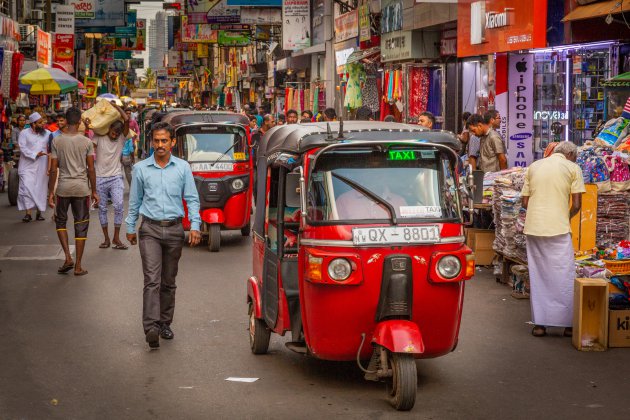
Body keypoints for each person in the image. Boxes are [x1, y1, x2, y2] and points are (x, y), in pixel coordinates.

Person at [125, 121, 201, 349]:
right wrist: (130, 227)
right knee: (152, 280)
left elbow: (192, 199)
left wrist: (195, 226)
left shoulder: (183, 168)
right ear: (151, 142)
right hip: (150, 230)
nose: (160, 145)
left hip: (175, 229)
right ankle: (151, 327)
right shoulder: (140, 169)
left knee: (169, 281)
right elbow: (135, 201)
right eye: (156, 141)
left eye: (164, 141)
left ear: (172, 143)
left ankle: (165, 323)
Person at [521, 142, 586, 338]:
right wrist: (564, 216)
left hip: (534, 227)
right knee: (564, 273)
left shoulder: (534, 166)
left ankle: (540, 325)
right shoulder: (573, 168)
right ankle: (567, 325)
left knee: (539, 274)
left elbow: (525, 202)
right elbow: (576, 204)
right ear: (570, 155)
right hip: (558, 228)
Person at [48, 108, 99, 276]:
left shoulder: (57, 141)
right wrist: (94, 191)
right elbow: (91, 169)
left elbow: (53, 170)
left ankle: (68, 257)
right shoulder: (86, 142)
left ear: (66, 121)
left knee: (61, 222)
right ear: (79, 123)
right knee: (81, 225)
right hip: (81, 189)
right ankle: (77, 265)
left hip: (63, 188)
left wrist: (50, 192)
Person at [92, 104, 129, 250]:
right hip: (100, 177)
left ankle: (116, 238)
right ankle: (106, 239)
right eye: (113, 132)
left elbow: (126, 120)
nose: (115, 135)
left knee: (119, 206)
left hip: (115, 177)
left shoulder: (121, 139)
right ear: (108, 129)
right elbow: (89, 147)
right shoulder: (99, 137)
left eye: (117, 133)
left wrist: (116, 108)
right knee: (101, 208)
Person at [17, 113, 49, 222]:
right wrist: (35, 154)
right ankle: (28, 213)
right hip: (27, 166)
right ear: (33, 124)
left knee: (40, 188)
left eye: (43, 122)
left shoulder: (47, 134)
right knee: (26, 188)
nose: (43, 124)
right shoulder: (24, 133)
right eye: (40, 123)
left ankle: (39, 213)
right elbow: (22, 148)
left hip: (42, 166)